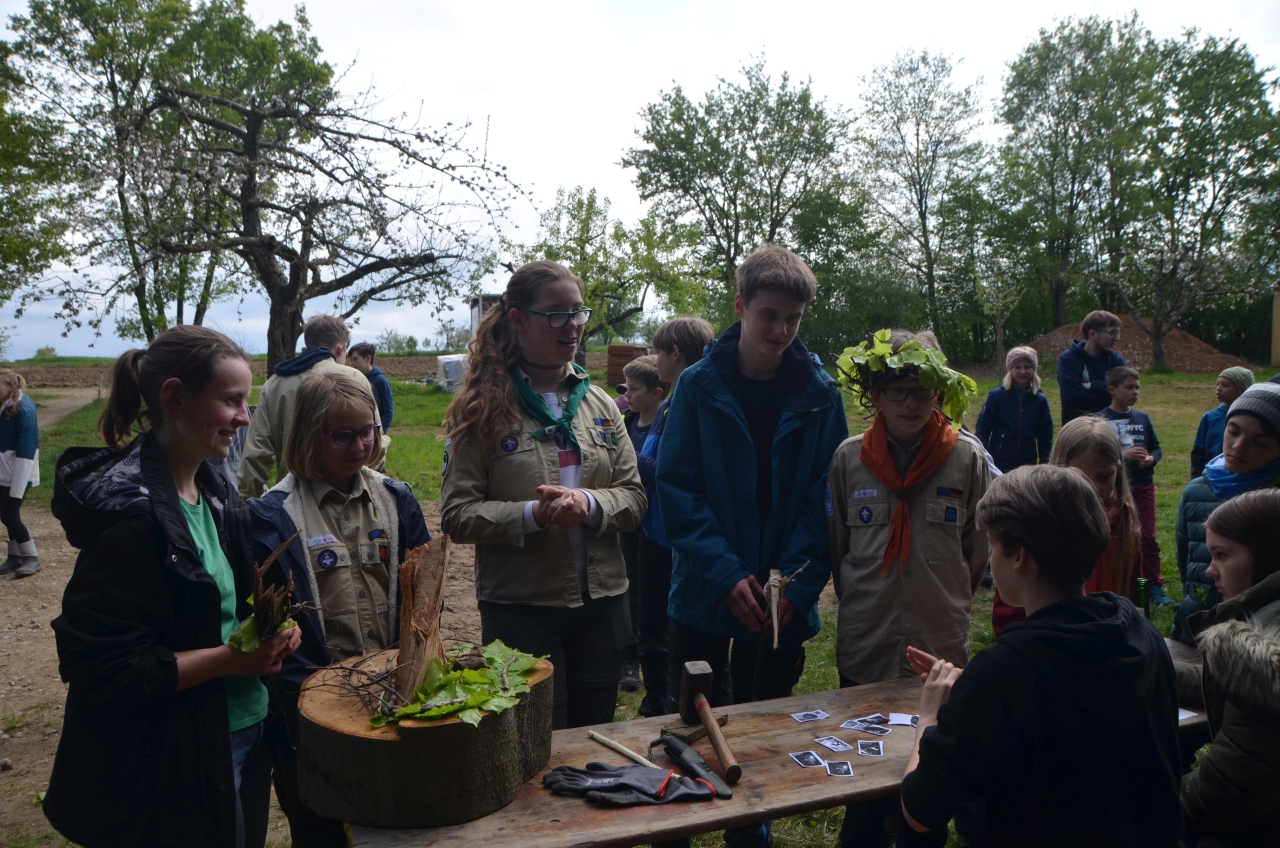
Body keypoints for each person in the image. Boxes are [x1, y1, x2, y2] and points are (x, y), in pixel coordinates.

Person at [45, 326, 303, 848]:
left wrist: (269, 631)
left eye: (246, 401)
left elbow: (215, 612)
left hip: (244, 731)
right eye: (231, 400)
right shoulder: (130, 521)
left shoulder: (215, 492)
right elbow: (102, 668)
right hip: (179, 758)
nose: (245, 417)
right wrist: (232, 659)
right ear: (175, 399)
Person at [657, 245, 846, 848]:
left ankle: (750, 832)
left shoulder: (821, 392)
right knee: (690, 724)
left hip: (780, 602)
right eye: (769, 315)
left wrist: (797, 584)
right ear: (740, 306)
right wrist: (723, 573)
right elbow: (677, 489)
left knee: (762, 731)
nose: (781, 331)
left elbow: (826, 498)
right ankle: (676, 828)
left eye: (793, 319)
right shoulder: (697, 386)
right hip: (705, 594)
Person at [899, 464, 1183, 847]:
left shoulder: (1004, 674)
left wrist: (931, 715)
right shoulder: (1142, 635)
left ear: (1020, 556)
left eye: (992, 546)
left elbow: (919, 813)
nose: (990, 559)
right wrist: (973, 695)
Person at [439, 260, 647, 730]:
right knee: (535, 739)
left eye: (578, 312)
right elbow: (457, 514)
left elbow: (634, 497)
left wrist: (588, 505)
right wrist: (535, 514)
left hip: (603, 604)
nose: (572, 325)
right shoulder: (479, 408)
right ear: (518, 319)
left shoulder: (600, 404)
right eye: (556, 314)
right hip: (522, 609)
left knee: (594, 734)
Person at [249, 371, 429, 847]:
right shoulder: (272, 516)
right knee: (321, 825)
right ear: (310, 434)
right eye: (343, 435)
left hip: (395, 695)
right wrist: (314, 703)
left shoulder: (397, 501)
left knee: (399, 822)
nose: (359, 445)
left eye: (367, 431)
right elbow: (274, 628)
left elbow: (424, 598)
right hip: (312, 711)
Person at [827, 328, 990, 847]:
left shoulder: (966, 459)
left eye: (922, 391)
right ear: (875, 394)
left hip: (937, 646)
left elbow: (977, 551)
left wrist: (946, 594)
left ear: (939, 393)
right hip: (867, 644)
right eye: (897, 390)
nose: (911, 403)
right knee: (864, 777)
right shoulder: (849, 459)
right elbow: (840, 551)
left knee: (931, 774)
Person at [1173, 489, 1280, 845]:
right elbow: (1229, 681)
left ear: (1267, 554)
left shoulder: (1261, 653)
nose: (1209, 570)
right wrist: (1152, 667)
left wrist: (1142, 801)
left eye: (1222, 555)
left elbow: (1225, 792)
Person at [992, 416, 1140, 636]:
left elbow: (1131, 599)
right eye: (1082, 476)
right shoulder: (1035, 525)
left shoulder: (1125, 524)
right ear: (1060, 470)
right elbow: (1010, 609)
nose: (1095, 486)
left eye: (1105, 475)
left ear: (1117, 470)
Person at [634, 316, 715, 717]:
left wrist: (626, 459)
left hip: (672, 538)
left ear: (676, 353)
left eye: (657, 352)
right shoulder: (671, 403)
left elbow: (669, 474)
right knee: (654, 619)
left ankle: (664, 701)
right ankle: (660, 696)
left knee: (666, 624)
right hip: (658, 532)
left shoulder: (687, 403)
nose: (654, 360)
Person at [1172, 382, 1280, 644]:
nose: (1238, 446)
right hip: (1195, 622)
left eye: (1259, 442)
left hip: (1252, 635)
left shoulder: (1274, 503)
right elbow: (1184, 555)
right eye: (1233, 431)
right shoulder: (1196, 491)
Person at [239, 315, 381, 499]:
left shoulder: (274, 384)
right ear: (342, 348)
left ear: (306, 347)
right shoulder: (355, 378)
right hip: (351, 496)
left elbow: (255, 455)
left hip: (293, 499)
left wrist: (248, 502)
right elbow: (375, 440)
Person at [617, 354, 669, 693]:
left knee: (654, 594)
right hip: (629, 521)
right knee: (629, 588)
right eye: (625, 388)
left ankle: (659, 657)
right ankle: (629, 659)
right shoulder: (624, 423)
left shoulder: (665, 427)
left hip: (657, 525)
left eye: (634, 389)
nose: (627, 395)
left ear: (656, 394)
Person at [1098, 366, 1170, 606]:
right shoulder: (1101, 421)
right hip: (1115, 488)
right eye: (1129, 387)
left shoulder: (1142, 418)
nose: (1135, 392)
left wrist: (1151, 459)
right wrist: (1123, 457)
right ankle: (1118, 582)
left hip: (1143, 485)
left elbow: (1156, 448)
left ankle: (1154, 585)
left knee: (1147, 536)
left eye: (1137, 387)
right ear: (1112, 389)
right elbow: (1097, 455)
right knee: (1115, 535)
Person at [974, 346, 1053, 474]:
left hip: (1027, 465)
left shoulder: (1040, 401)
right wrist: (984, 460)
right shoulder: (996, 397)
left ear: (1034, 369)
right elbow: (982, 429)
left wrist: (1045, 466)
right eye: (1018, 367)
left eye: (1027, 367)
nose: (1023, 371)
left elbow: (1045, 437)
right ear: (1010, 369)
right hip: (999, 464)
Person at [0, 370, 40, 577]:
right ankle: (14, 557)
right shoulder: (5, 407)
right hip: (5, 474)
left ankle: (31, 558)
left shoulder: (23, 410)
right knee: (7, 514)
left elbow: (26, 451)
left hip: (18, 474)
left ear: (11, 387)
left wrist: (18, 486)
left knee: (9, 515)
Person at [1056, 310, 1126, 424]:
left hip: (1110, 429)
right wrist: (1109, 394)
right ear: (1093, 334)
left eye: (1118, 333)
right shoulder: (1068, 360)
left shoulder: (1116, 360)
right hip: (1078, 429)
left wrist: (1093, 385)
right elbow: (1074, 398)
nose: (1117, 338)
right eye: (1113, 332)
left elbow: (1123, 394)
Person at [1191, 366, 1254, 479]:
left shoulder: (1253, 419)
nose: (1218, 389)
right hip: (1211, 477)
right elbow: (1198, 453)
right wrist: (1196, 478)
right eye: (1218, 384)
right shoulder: (1210, 418)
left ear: (1242, 389)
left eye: (1225, 385)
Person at [346, 342, 395, 433]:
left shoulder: (381, 381)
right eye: (351, 360)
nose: (352, 363)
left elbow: (388, 410)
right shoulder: (354, 380)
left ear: (368, 358)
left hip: (374, 430)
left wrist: (380, 432)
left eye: (355, 359)